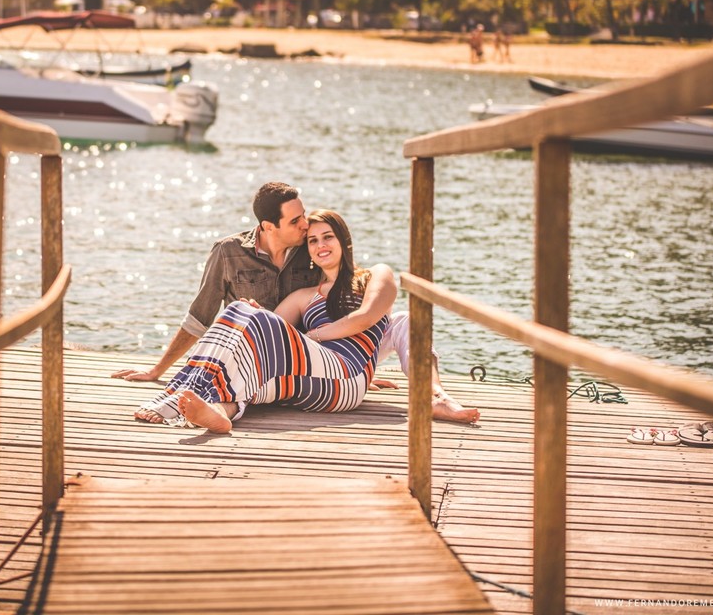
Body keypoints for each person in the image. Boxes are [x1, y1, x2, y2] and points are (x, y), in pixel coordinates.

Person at [133, 210, 479, 432]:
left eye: (328, 236)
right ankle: (220, 409)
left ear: (344, 241)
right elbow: (263, 335)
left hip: (347, 377)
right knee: (238, 314)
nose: (320, 245)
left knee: (407, 319)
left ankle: (435, 397)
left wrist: (314, 335)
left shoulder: (376, 275)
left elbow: (366, 318)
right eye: (312, 240)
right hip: (316, 382)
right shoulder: (304, 296)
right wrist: (253, 314)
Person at [112, 181, 314, 384]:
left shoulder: (312, 247)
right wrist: (156, 371)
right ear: (269, 227)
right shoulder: (228, 253)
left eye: (304, 215)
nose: (305, 224)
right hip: (246, 363)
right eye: (295, 221)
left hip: (297, 362)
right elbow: (199, 317)